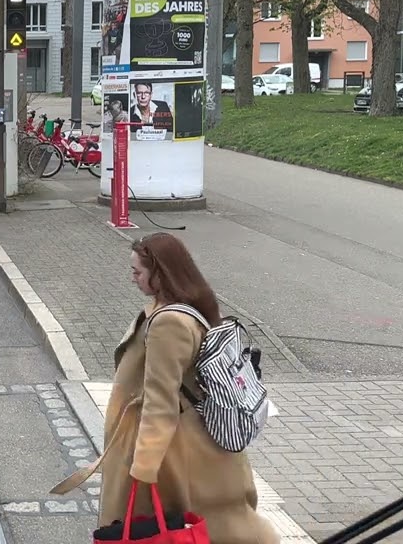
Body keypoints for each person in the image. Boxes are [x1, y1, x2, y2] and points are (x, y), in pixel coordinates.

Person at [99, 233, 278, 543]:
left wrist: (142, 467)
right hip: (191, 439)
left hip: (173, 451)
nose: (133, 279)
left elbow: (160, 401)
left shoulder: (169, 323)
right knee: (212, 519)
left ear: (160, 274)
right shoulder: (189, 305)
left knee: (165, 526)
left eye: (137, 272)